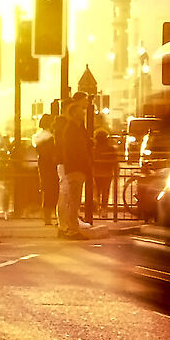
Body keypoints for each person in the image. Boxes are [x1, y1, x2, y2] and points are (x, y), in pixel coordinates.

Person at [57, 96, 94, 238]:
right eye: (80, 112)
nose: (83, 114)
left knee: (74, 200)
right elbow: (74, 150)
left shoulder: (75, 128)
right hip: (75, 168)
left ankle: (71, 227)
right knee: (73, 200)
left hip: (77, 168)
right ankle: (72, 229)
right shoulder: (71, 129)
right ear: (74, 114)